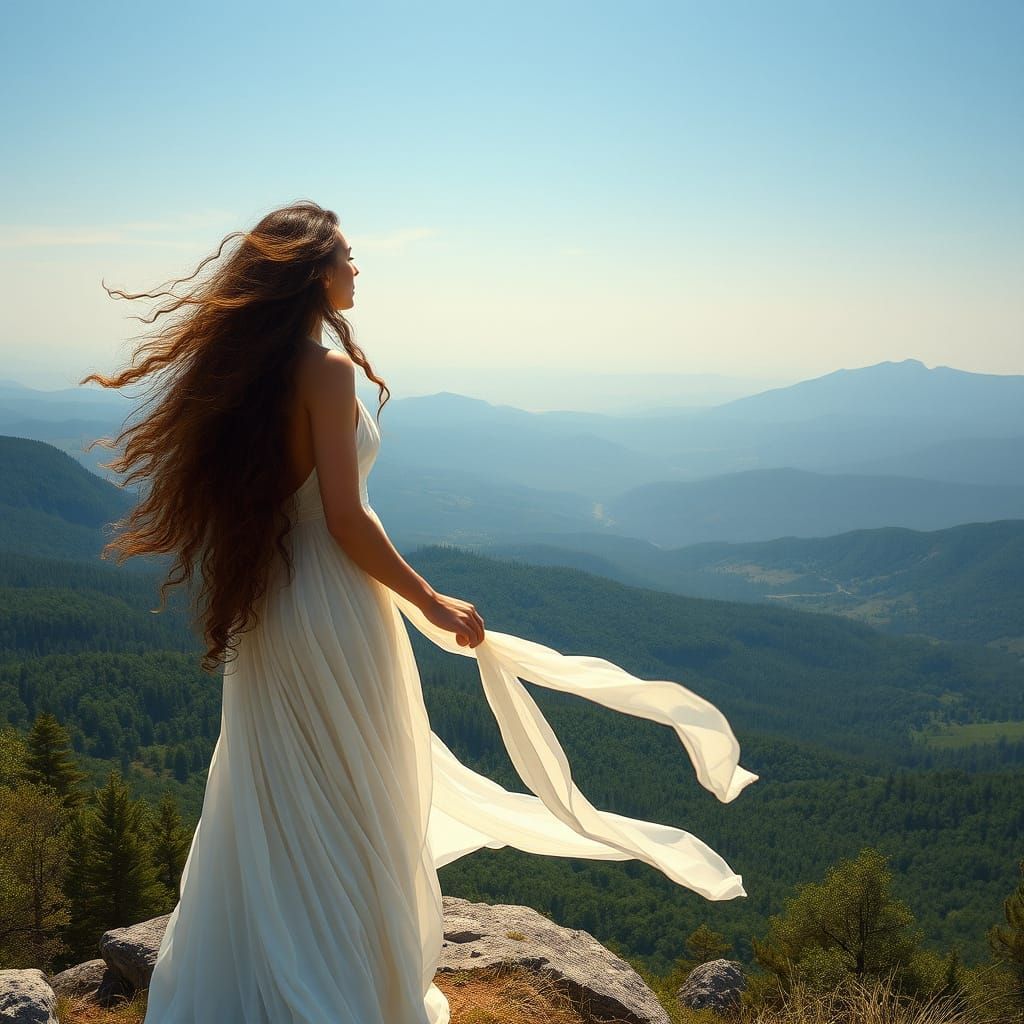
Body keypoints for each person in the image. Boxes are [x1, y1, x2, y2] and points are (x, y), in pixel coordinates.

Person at [79, 200, 759, 1024]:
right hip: (334, 608)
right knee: (354, 792)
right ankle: (339, 984)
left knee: (285, 792)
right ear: (315, 273)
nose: (359, 270)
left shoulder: (261, 378)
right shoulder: (323, 374)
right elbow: (345, 517)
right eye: (349, 258)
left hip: (278, 609)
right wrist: (431, 601)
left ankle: (272, 969)